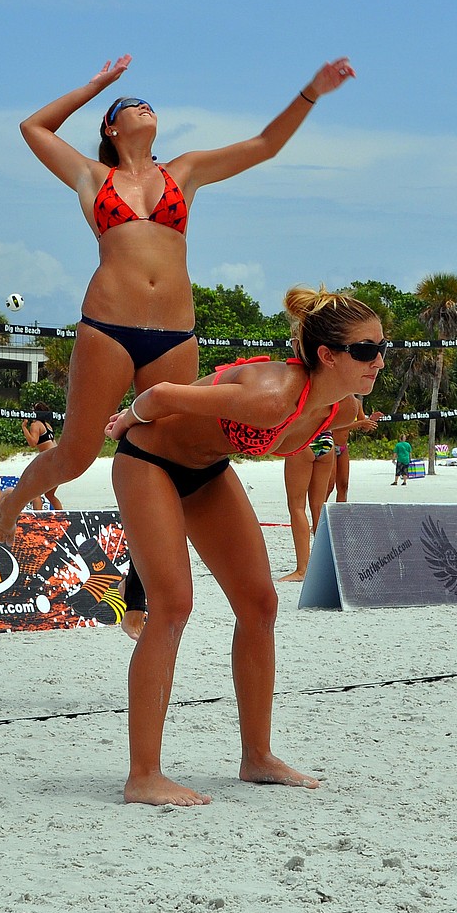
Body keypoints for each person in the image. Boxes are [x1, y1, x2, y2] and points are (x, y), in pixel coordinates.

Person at [0, 53, 356, 546]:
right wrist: (98, 85)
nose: (145, 106)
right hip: (107, 328)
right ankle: (13, 502)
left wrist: (312, 91)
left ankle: (145, 573)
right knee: (76, 456)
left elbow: (265, 145)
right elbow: (33, 127)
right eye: (131, 104)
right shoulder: (92, 176)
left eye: (148, 103)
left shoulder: (184, 172)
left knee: (169, 450)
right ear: (111, 127)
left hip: (174, 335)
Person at [104, 285, 387, 806]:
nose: (379, 361)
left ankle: (257, 756)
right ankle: (143, 775)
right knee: (173, 607)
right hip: (148, 459)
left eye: (381, 348)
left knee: (260, 604)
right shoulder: (273, 395)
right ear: (327, 355)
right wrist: (125, 421)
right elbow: (162, 395)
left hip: (207, 470)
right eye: (366, 350)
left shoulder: (340, 409)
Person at [281, 426, 341, 582]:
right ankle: (326, 565)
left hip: (302, 438)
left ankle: (302, 569)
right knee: (319, 507)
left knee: (297, 507)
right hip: (326, 440)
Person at [326, 397, 383, 503]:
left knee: (343, 485)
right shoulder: (334, 399)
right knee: (329, 485)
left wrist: (371, 421)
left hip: (343, 447)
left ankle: (341, 512)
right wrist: (359, 424)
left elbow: (364, 428)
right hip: (331, 445)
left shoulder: (356, 403)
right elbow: (332, 426)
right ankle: (319, 510)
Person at [20, 402, 63, 511]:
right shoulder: (48, 425)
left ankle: (38, 516)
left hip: (48, 461)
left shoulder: (35, 425)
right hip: (57, 460)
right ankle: (61, 515)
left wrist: (24, 427)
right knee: (50, 494)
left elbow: (33, 443)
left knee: (34, 491)